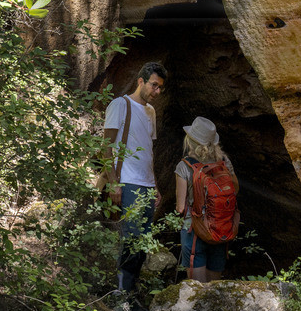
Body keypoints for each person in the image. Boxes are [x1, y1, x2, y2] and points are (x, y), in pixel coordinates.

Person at [102, 61, 169, 298]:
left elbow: (147, 153)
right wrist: (113, 182)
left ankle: (130, 294)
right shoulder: (120, 105)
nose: (156, 92)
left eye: (160, 88)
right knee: (130, 241)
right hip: (128, 183)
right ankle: (121, 296)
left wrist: (156, 187)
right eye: (153, 85)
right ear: (140, 81)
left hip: (147, 186)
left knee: (142, 244)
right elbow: (106, 147)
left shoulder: (150, 112)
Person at [173, 116, 239, 282]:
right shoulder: (224, 162)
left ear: (191, 139)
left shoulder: (185, 166)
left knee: (197, 290)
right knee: (214, 289)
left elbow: (180, 207)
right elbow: (235, 190)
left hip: (195, 230)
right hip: (221, 228)